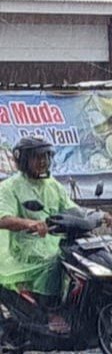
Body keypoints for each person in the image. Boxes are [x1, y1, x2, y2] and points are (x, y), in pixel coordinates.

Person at [0, 137, 81, 332]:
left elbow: (72, 209)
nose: (43, 161)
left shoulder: (52, 185)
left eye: (46, 156)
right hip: (23, 251)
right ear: (24, 161)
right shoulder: (9, 187)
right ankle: (50, 310)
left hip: (54, 243)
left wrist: (97, 216)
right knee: (55, 262)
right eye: (37, 157)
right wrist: (30, 223)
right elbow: (3, 218)